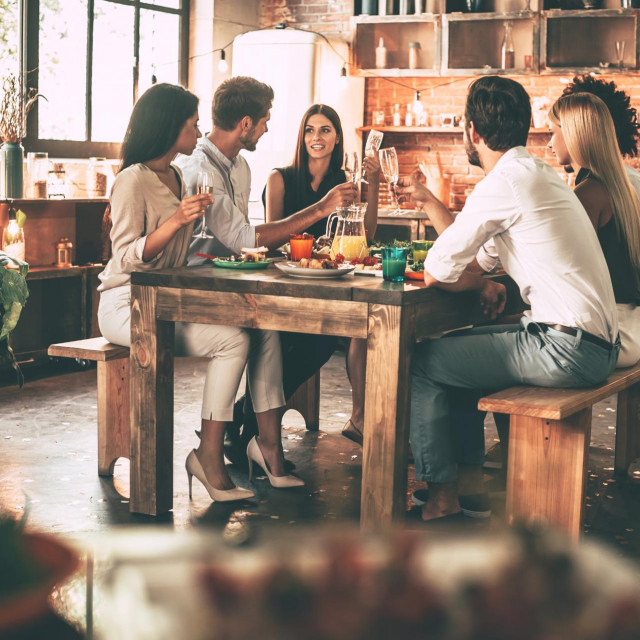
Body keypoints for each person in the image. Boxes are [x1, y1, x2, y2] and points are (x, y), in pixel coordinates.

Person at [396, 76, 619, 522]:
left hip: (566, 348)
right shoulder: (538, 175)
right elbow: (479, 261)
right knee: (463, 344)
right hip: (595, 344)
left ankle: (442, 494)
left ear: (473, 131)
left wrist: (473, 281)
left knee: (422, 362)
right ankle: (464, 482)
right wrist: (478, 280)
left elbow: (441, 268)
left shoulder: (505, 182)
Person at [97, 83, 302, 506]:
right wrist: (175, 222)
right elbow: (126, 257)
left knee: (250, 333)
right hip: (125, 303)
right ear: (171, 128)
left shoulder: (178, 175)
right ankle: (211, 457)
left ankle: (235, 451)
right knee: (236, 338)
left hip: (168, 301)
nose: (199, 130)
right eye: (192, 124)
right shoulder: (131, 181)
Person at [176, 84, 359, 463]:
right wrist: (321, 208)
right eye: (264, 122)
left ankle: (253, 435)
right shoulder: (198, 169)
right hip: (195, 288)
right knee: (278, 332)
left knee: (304, 333)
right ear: (245, 124)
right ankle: (243, 435)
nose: (267, 129)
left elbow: (244, 243)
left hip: (234, 280)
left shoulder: (239, 167)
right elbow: (246, 239)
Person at [263, 103, 381, 447]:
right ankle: (250, 411)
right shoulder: (279, 178)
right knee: (315, 339)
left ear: (337, 137)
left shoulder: (345, 183)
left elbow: (366, 235)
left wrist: (372, 183)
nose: (317, 137)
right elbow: (274, 240)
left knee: (360, 330)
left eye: (325, 130)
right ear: (302, 137)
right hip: (289, 283)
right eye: (310, 130)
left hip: (331, 283)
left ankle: (359, 417)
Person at [549, 92, 640, 367]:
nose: (549, 144)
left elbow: (564, 269)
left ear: (575, 135)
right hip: (631, 326)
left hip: (610, 336)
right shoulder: (621, 188)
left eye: (553, 132)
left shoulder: (588, 193)